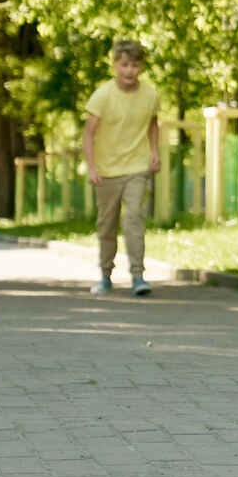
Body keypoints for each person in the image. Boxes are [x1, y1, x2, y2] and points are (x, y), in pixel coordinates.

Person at [83, 41, 162, 296]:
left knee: (133, 219)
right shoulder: (102, 96)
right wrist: (92, 167)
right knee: (107, 225)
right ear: (115, 65)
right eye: (124, 64)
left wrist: (154, 152)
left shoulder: (150, 94)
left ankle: (138, 276)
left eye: (135, 65)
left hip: (137, 167)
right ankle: (105, 275)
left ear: (141, 67)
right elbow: (88, 134)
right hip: (106, 171)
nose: (129, 71)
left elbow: (152, 124)